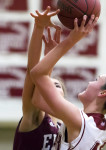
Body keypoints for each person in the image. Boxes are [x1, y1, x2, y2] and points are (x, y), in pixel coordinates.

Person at [30, 14, 106, 150]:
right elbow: (38, 101)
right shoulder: (100, 126)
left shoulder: (81, 121)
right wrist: (49, 56)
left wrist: (71, 39)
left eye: (96, 80)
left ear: (102, 93)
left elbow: (37, 74)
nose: (89, 82)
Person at [13, 6, 64, 150]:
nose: (50, 87)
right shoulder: (35, 116)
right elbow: (33, 73)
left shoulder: (64, 126)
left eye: (57, 86)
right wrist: (38, 27)